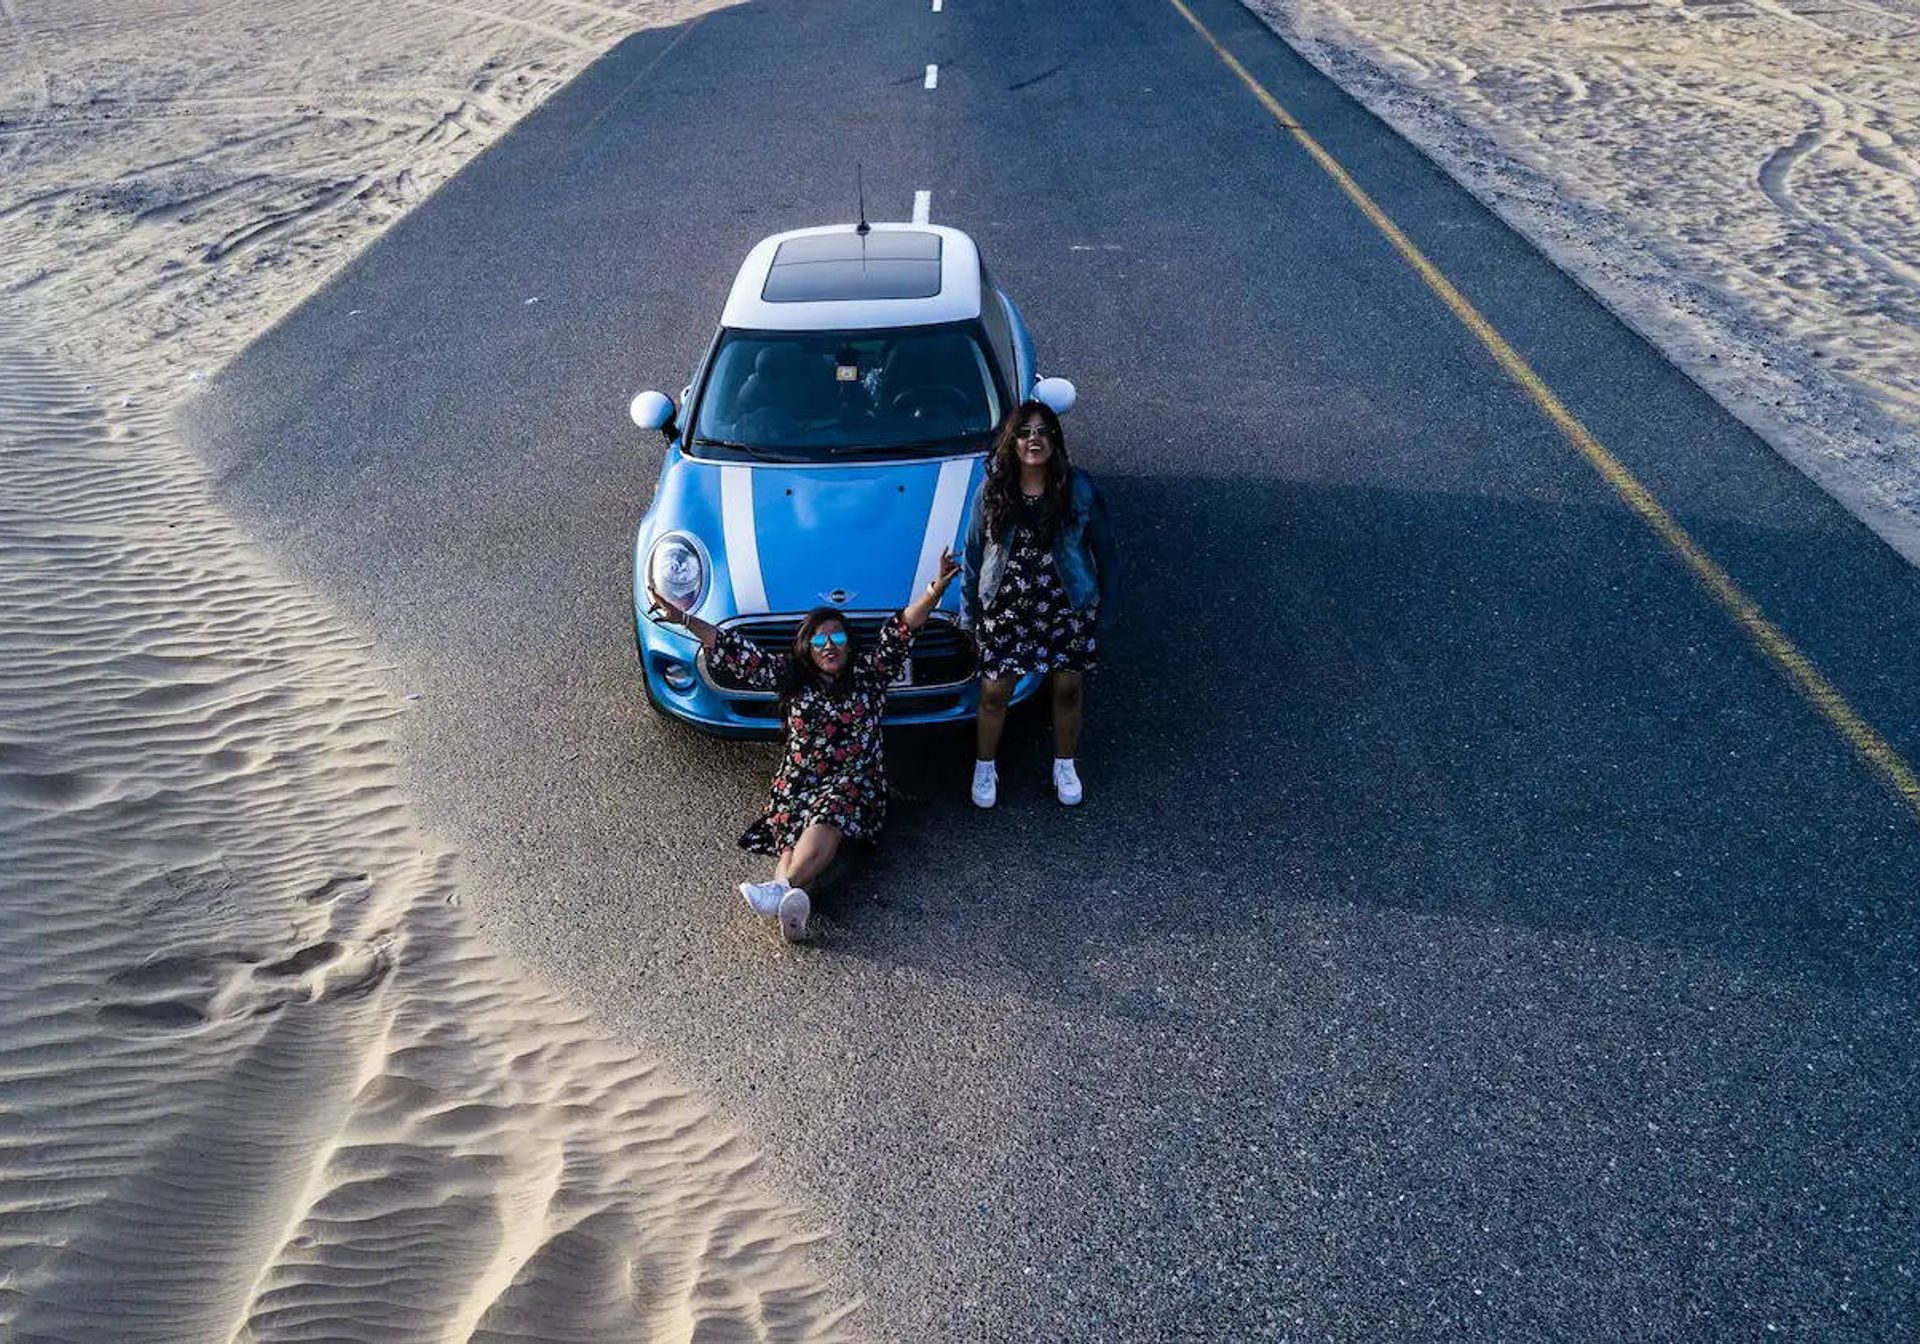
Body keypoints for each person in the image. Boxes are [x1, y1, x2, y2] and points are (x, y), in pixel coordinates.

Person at [647, 549, 961, 942]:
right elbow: (730, 648)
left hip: (853, 779)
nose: (830, 645)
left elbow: (902, 629)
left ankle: (780, 891)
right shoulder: (789, 675)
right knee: (791, 841)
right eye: (820, 639)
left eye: (838, 636)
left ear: (849, 644)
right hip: (798, 781)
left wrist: (935, 590)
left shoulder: (871, 672)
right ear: (807, 647)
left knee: (828, 815)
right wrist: (683, 618)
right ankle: (789, 907)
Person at [961, 399, 1115, 808]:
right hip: (1006, 606)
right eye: (1026, 432)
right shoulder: (993, 491)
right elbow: (973, 552)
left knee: (1066, 689)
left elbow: (1105, 551)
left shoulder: (1077, 488)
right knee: (994, 693)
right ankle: (985, 765)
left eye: (1043, 431)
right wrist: (968, 614)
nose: (1035, 439)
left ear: (1055, 440)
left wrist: (1106, 610)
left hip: (1063, 604)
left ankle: (1065, 764)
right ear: (1011, 442)